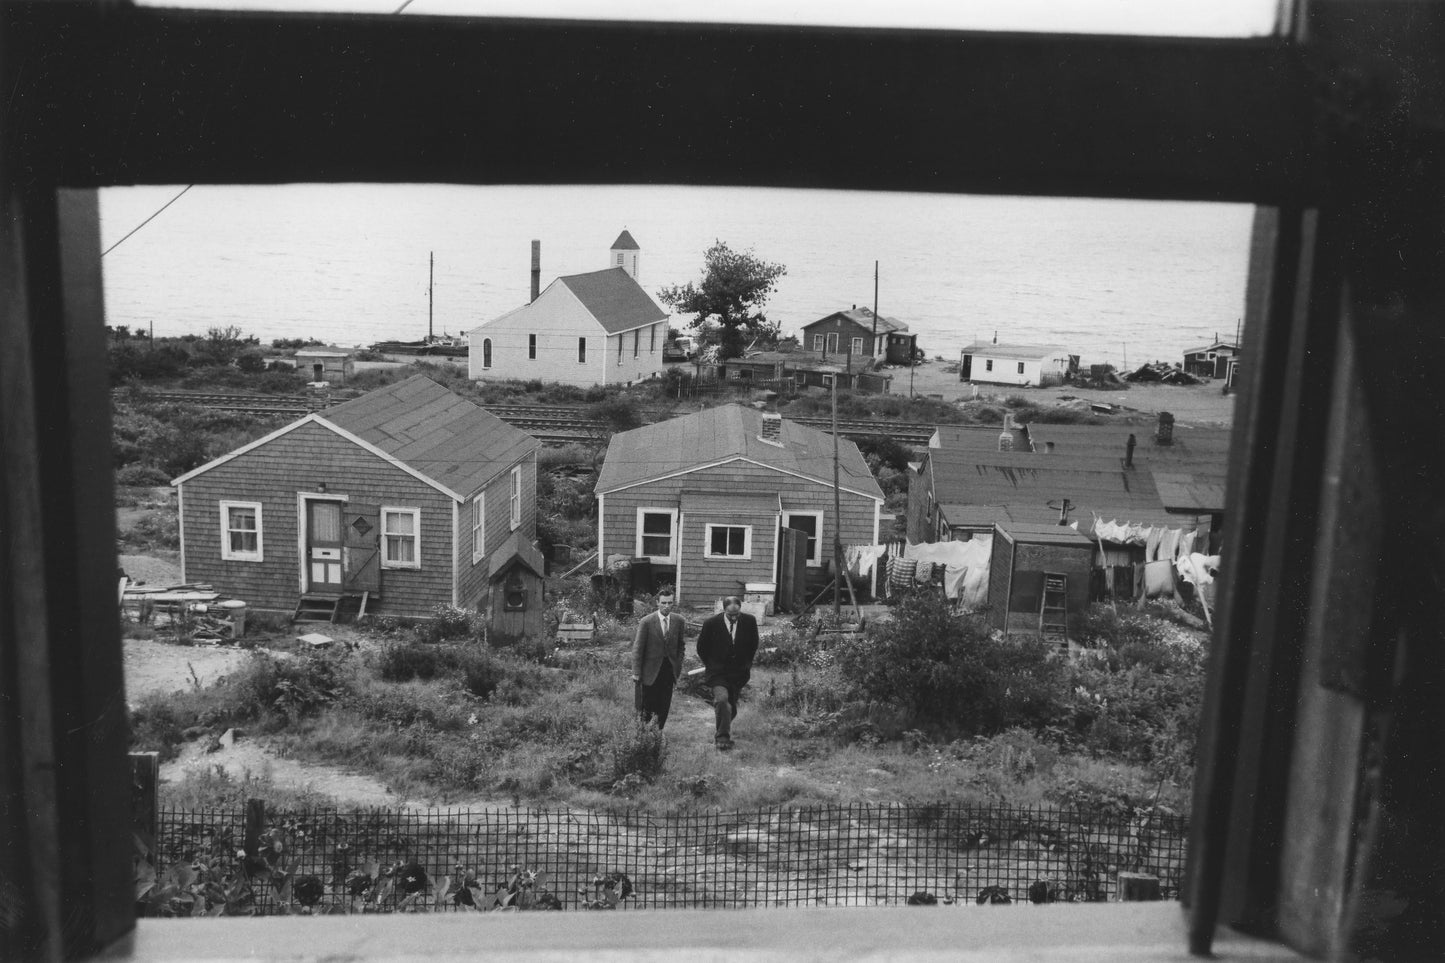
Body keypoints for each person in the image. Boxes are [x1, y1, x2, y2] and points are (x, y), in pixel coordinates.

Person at [696, 595, 759, 750]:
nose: (734, 617)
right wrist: (711, 665)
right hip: (717, 673)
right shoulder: (711, 624)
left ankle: (722, 724)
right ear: (723, 610)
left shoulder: (749, 621)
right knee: (722, 700)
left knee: (731, 708)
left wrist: (746, 665)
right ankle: (722, 738)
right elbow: (701, 648)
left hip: (738, 674)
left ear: (740, 609)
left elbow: (753, 645)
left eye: (737, 614)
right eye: (730, 615)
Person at [632, 588, 685, 730]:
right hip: (650, 670)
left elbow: (681, 645)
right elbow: (638, 648)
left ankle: (658, 732)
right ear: (657, 603)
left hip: (669, 670)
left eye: (670, 603)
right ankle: (644, 733)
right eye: (663, 603)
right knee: (648, 703)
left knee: (664, 703)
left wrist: (678, 664)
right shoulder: (647, 622)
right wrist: (636, 672)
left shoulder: (679, 621)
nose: (667, 606)